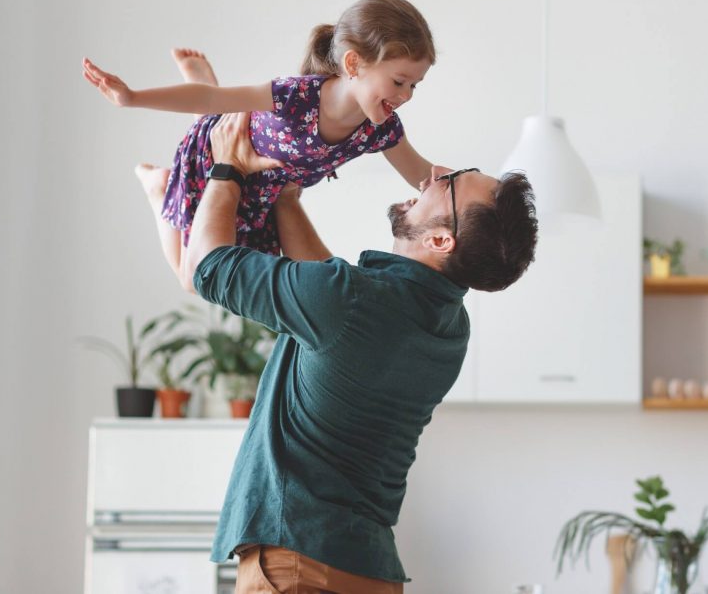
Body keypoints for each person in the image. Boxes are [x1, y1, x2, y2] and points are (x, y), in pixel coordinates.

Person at [187, 111, 538, 593]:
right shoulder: (449, 327)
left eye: (451, 182)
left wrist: (224, 168)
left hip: (298, 567)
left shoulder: (350, 300)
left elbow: (206, 268)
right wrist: (286, 199)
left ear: (440, 239)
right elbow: (333, 303)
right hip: (367, 571)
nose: (436, 173)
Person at [82, 0, 439, 291]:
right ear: (353, 63)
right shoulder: (296, 96)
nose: (407, 95)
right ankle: (158, 187)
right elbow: (207, 99)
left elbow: (424, 174)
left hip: (261, 195)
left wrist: (489, 189)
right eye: (398, 82)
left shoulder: (381, 129)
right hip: (215, 161)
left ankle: (210, 100)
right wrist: (132, 97)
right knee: (193, 281)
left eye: (415, 85)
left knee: (218, 277)